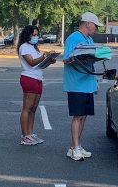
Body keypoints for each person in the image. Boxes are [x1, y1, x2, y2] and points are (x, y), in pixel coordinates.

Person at [63, 12, 103, 161]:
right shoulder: (74, 38)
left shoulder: (89, 39)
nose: (96, 28)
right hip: (76, 83)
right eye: (95, 25)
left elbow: (90, 62)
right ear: (87, 23)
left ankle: (76, 146)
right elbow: (66, 59)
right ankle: (75, 147)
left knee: (83, 116)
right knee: (77, 116)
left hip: (87, 82)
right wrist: (77, 56)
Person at [17, 25, 55, 145]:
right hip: (29, 78)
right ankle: (24, 136)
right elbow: (31, 62)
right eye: (33, 34)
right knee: (27, 108)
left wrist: (49, 60)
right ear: (27, 35)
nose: (35, 37)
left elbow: (40, 65)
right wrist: (44, 55)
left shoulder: (34, 48)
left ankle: (30, 133)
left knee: (33, 108)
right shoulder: (24, 47)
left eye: (37, 34)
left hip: (38, 78)